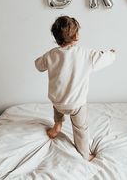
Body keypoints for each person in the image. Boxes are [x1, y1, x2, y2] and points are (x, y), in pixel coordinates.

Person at [34, 16, 115, 161]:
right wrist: (112, 54)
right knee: (81, 128)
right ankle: (84, 154)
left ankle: (57, 126)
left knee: (58, 106)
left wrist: (46, 60)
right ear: (76, 35)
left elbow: (38, 65)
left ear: (56, 38)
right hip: (76, 105)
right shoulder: (85, 54)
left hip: (58, 103)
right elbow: (103, 58)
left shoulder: (52, 54)